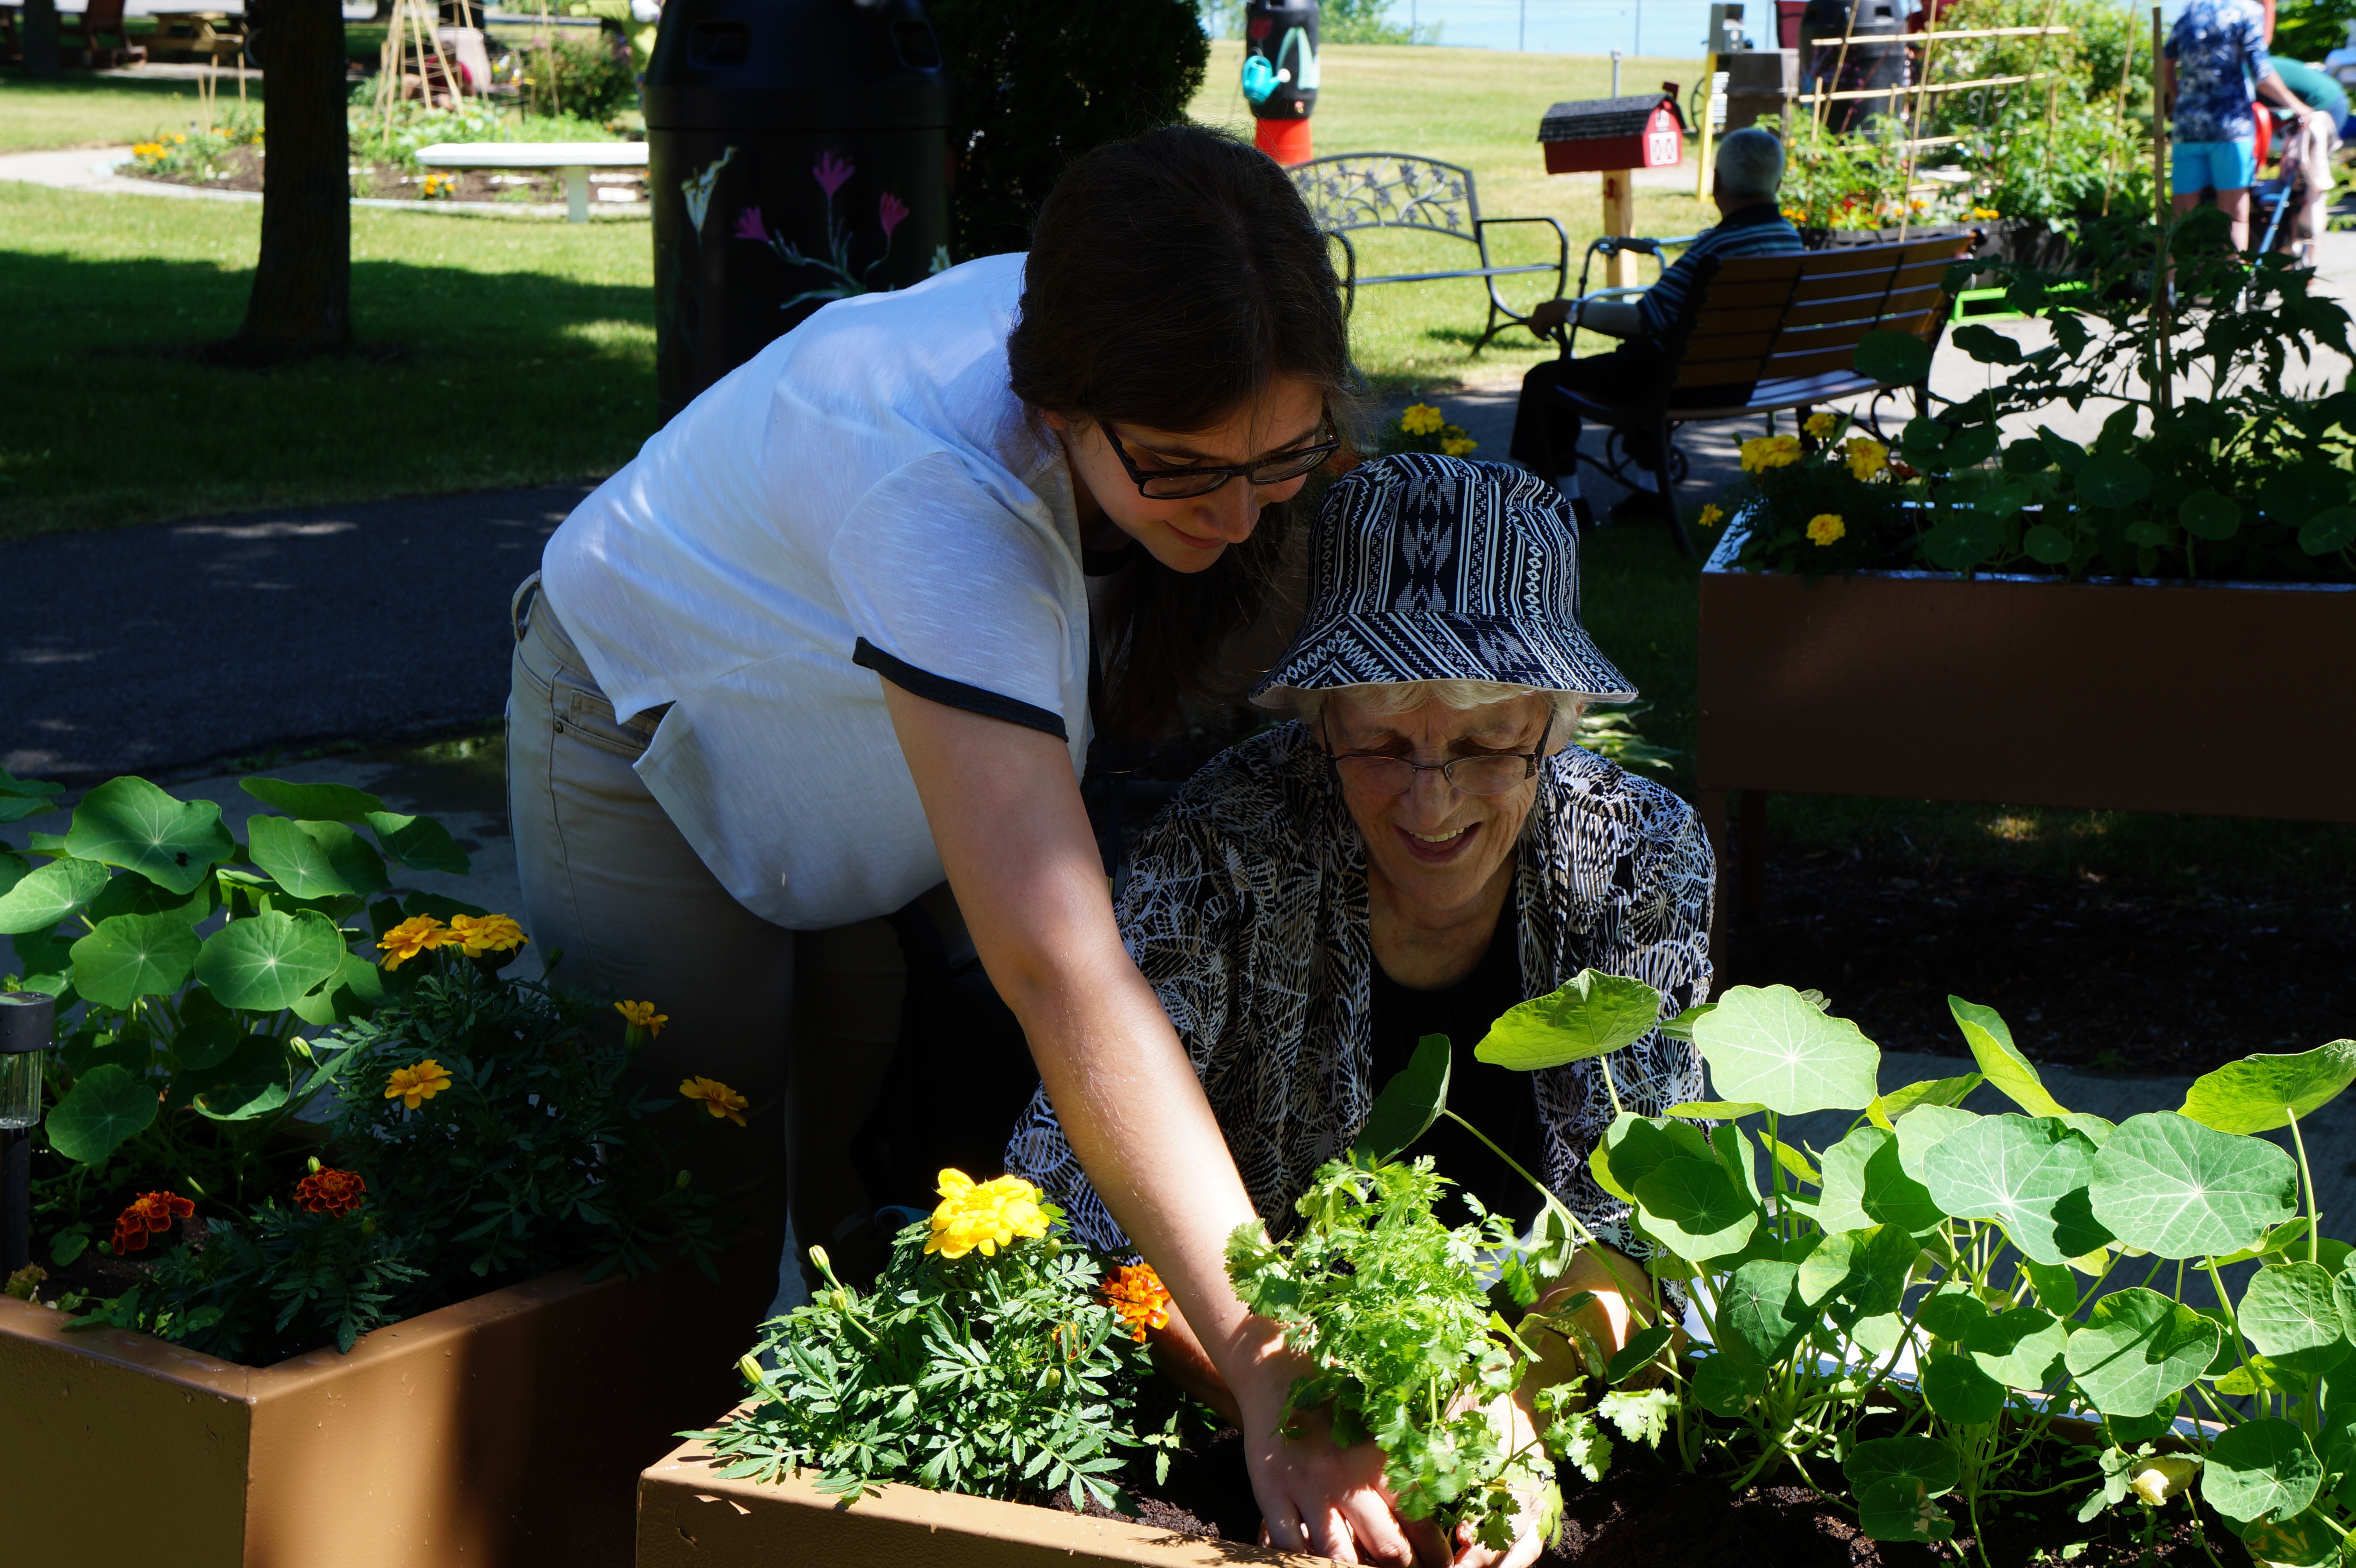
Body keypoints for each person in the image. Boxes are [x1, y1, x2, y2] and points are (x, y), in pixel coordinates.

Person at [512, 124, 1450, 1562]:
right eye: (1186, 473)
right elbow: (1062, 965)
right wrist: (1272, 1359)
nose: (1239, 510)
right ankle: (597, 1534)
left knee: (859, 1201)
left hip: (847, 748)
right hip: (651, 713)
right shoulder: (934, 487)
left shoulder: (1178, 387)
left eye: (1285, 459)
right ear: (1056, 403)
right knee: (681, 1208)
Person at [1008, 452, 1715, 1568]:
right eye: (1382, 741)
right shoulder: (1227, 846)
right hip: (1253, 1388)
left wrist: (1506, 1415)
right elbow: (1080, 1208)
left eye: (1486, 743)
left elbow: (1645, 1217)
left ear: (1557, 725)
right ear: (1318, 718)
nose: (1430, 800)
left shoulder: (1637, 856)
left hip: (1514, 1370)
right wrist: (1294, 1406)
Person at [1507, 126, 1802, 529]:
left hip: (1684, 384)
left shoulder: (1716, 250)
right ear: (1778, 183)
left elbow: (1644, 320)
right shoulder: (1789, 240)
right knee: (1648, 360)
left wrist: (1569, 310)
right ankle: (1649, 494)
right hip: (1742, 379)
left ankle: (1567, 506)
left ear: (1717, 182)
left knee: (1546, 381)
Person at [2163, 0, 2330, 253]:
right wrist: (2300, 108)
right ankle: (2233, 288)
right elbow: (2262, 75)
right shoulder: (2248, 12)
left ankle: (2173, 288)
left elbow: (2166, 65)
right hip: (2230, 127)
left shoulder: (2191, 10)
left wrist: (2178, 100)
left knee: (2181, 218)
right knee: (2234, 215)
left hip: (2188, 128)